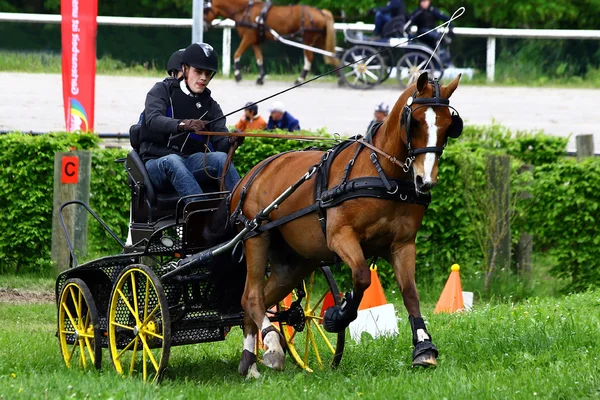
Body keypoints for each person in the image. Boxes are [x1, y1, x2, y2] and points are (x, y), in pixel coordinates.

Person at [139, 42, 243, 199]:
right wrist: (183, 124)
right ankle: (202, 214)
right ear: (185, 69)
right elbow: (153, 120)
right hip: (156, 163)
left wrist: (231, 140)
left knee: (221, 158)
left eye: (208, 74)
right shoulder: (161, 90)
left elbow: (221, 143)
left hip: (190, 161)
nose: (203, 78)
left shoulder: (211, 106)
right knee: (173, 161)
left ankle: (242, 210)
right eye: (198, 71)